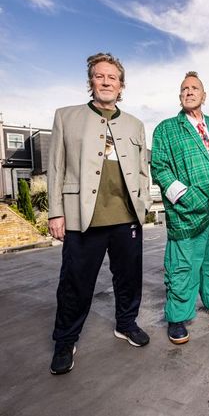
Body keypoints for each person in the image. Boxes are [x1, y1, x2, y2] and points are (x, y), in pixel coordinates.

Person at [48, 53, 152, 374]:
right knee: (75, 282)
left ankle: (126, 323)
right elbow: (56, 168)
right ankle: (65, 340)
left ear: (121, 86)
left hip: (126, 216)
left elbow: (143, 171)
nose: (106, 82)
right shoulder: (66, 117)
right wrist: (56, 212)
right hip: (82, 216)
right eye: (99, 76)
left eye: (112, 78)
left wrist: (144, 205)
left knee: (129, 277)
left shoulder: (135, 124)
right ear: (91, 81)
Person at [151, 71, 209, 345]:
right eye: (184, 89)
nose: (189, 92)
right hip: (185, 211)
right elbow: (159, 167)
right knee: (182, 266)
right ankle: (178, 316)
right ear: (180, 96)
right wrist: (184, 196)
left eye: (194, 88)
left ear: (204, 95)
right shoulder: (166, 129)